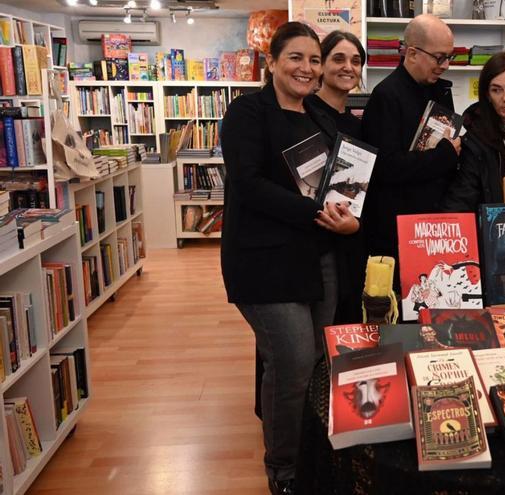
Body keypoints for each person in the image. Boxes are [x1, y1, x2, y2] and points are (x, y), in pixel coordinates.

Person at [220, 22, 360, 495]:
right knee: (292, 361)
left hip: (316, 256)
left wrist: (348, 216)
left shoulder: (319, 118)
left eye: (314, 60)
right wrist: (316, 211)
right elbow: (248, 186)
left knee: (314, 360)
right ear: (273, 62)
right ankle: (283, 472)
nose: (307, 68)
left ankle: (309, 454)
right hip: (262, 263)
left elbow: (339, 183)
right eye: (296, 58)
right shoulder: (248, 113)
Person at [361, 14, 461, 269]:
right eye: (439, 57)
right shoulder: (386, 96)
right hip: (396, 230)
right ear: (413, 53)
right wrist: (445, 156)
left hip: (436, 225)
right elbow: (385, 167)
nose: (446, 65)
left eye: (450, 56)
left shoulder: (440, 90)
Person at [306, 30, 368, 324]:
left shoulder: (357, 123)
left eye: (356, 61)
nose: (349, 67)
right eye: (339, 58)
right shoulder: (306, 113)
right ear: (321, 64)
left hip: (349, 237)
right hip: (314, 240)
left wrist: (355, 224)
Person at [443, 51, 505, 212]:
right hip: (493, 233)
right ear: (487, 95)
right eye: (496, 90)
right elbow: (463, 195)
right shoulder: (475, 139)